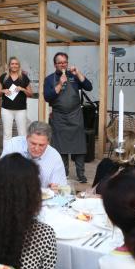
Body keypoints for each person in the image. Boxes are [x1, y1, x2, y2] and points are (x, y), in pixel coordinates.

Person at [43, 52, 92, 184]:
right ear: (55, 65)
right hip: (59, 116)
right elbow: (47, 97)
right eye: (60, 63)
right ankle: (63, 173)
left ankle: (80, 174)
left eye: (65, 62)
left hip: (75, 115)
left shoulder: (74, 76)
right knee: (60, 147)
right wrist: (60, 83)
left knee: (79, 146)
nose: (63, 64)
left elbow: (89, 87)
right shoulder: (49, 79)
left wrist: (78, 73)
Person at [1, 121, 67, 189]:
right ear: (26, 138)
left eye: (41, 145)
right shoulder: (13, 145)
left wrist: (56, 190)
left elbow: (61, 188)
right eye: (33, 143)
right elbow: (0, 174)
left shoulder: (55, 157)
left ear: (48, 142)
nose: (36, 148)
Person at [0, 57, 33, 141]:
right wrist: (3, 90)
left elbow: (30, 94)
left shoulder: (24, 77)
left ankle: (22, 153)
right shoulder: (4, 77)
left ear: (19, 65)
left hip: (21, 109)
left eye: (16, 64)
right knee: (7, 134)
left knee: (22, 133)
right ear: (9, 65)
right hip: (6, 109)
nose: (14, 65)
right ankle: (7, 153)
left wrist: (23, 89)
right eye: (12, 64)